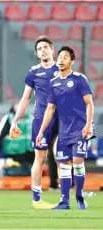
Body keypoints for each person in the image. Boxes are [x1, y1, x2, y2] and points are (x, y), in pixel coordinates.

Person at [36, 46, 95, 210]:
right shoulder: (53, 83)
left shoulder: (79, 79)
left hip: (80, 129)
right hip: (64, 131)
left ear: (72, 61)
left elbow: (89, 104)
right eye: (59, 57)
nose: (61, 60)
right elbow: (50, 109)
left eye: (65, 57)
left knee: (77, 162)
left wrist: (89, 125)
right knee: (63, 165)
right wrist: (41, 131)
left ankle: (79, 195)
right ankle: (64, 202)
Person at [10, 36, 59, 209]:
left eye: (46, 47)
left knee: (61, 154)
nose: (43, 50)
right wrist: (15, 121)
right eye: (39, 49)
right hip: (41, 119)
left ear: (52, 49)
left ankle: (65, 196)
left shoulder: (62, 69)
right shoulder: (33, 72)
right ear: (37, 54)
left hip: (61, 118)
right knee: (40, 158)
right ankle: (37, 200)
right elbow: (25, 98)